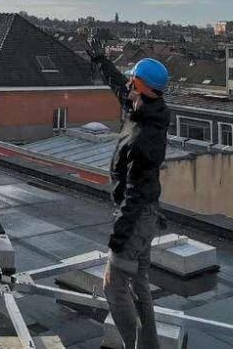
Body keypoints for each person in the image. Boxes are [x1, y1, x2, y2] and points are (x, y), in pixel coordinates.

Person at [87, 43, 170, 349]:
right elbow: (121, 90)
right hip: (145, 213)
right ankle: (150, 346)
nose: (128, 83)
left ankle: (132, 345)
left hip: (136, 214)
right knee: (139, 281)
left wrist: (121, 230)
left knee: (115, 283)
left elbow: (137, 187)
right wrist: (101, 62)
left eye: (133, 80)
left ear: (142, 86)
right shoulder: (146, 108)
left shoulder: (145, 134)